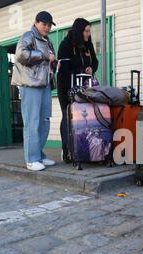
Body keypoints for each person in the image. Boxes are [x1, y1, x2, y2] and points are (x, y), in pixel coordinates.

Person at [11, 11, 57, 171]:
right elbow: (21, 55)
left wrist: (54, 63)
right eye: (44, 24)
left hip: (44, 85)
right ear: (36, 22)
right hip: (30, 85)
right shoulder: (28, 36)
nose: (47, 27)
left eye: (49, 25)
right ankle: (31, 159)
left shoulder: (47, 40)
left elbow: (47, 62)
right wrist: (45, 55)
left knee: (44, 120)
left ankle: (39, 155)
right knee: (32, 122)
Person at [57, 18, 99, 163]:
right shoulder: (65, 45)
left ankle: (82, 149)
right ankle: (67, 150)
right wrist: (73, 87)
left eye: (89, 31)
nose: (88, 34)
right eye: (86, 31)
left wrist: (91, 68)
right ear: (79, 31)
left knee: (84, 117)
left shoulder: (88, 45)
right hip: (67, 87)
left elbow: (94, 61)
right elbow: (63, 71)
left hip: (83, 86)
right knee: (68, 115)